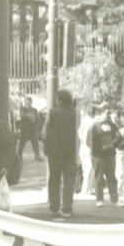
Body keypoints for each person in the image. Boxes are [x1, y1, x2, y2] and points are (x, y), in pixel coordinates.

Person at [42, 89, 79, 219]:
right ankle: (67, 209)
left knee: (54, 179)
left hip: (54, 152)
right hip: (70, 150)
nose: (56, 101)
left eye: (57, 99)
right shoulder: (76, 113)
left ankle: (54, 208)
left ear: (60, 100)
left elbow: (43, 131)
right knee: (69, 179)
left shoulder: (51, 113)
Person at [88, 106, 122, 207]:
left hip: (110, 155)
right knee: (98, 178)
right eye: (107, 113)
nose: (109, 115)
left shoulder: (113, 125)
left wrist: (113, 145)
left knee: (112, 177)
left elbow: (119, 137)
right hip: (98, 156)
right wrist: (100, 147)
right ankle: (99, 199)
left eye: (110, 113)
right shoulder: (94, 126)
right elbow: (89, 141)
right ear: (101, 113)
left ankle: (114, 199)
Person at [17, 96, 42, 161]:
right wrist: (30, 116)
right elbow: (22, 116)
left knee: (35, 143)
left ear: (31, 102)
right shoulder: (22, 109)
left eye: (29, 102)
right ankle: (19, 155)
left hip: (33, 129)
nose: (27, 103)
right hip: (25, 129)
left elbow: (36, 118)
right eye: (26, 102)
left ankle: (37, 156)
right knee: (22, 143)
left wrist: (28, 116)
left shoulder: (34, 110)